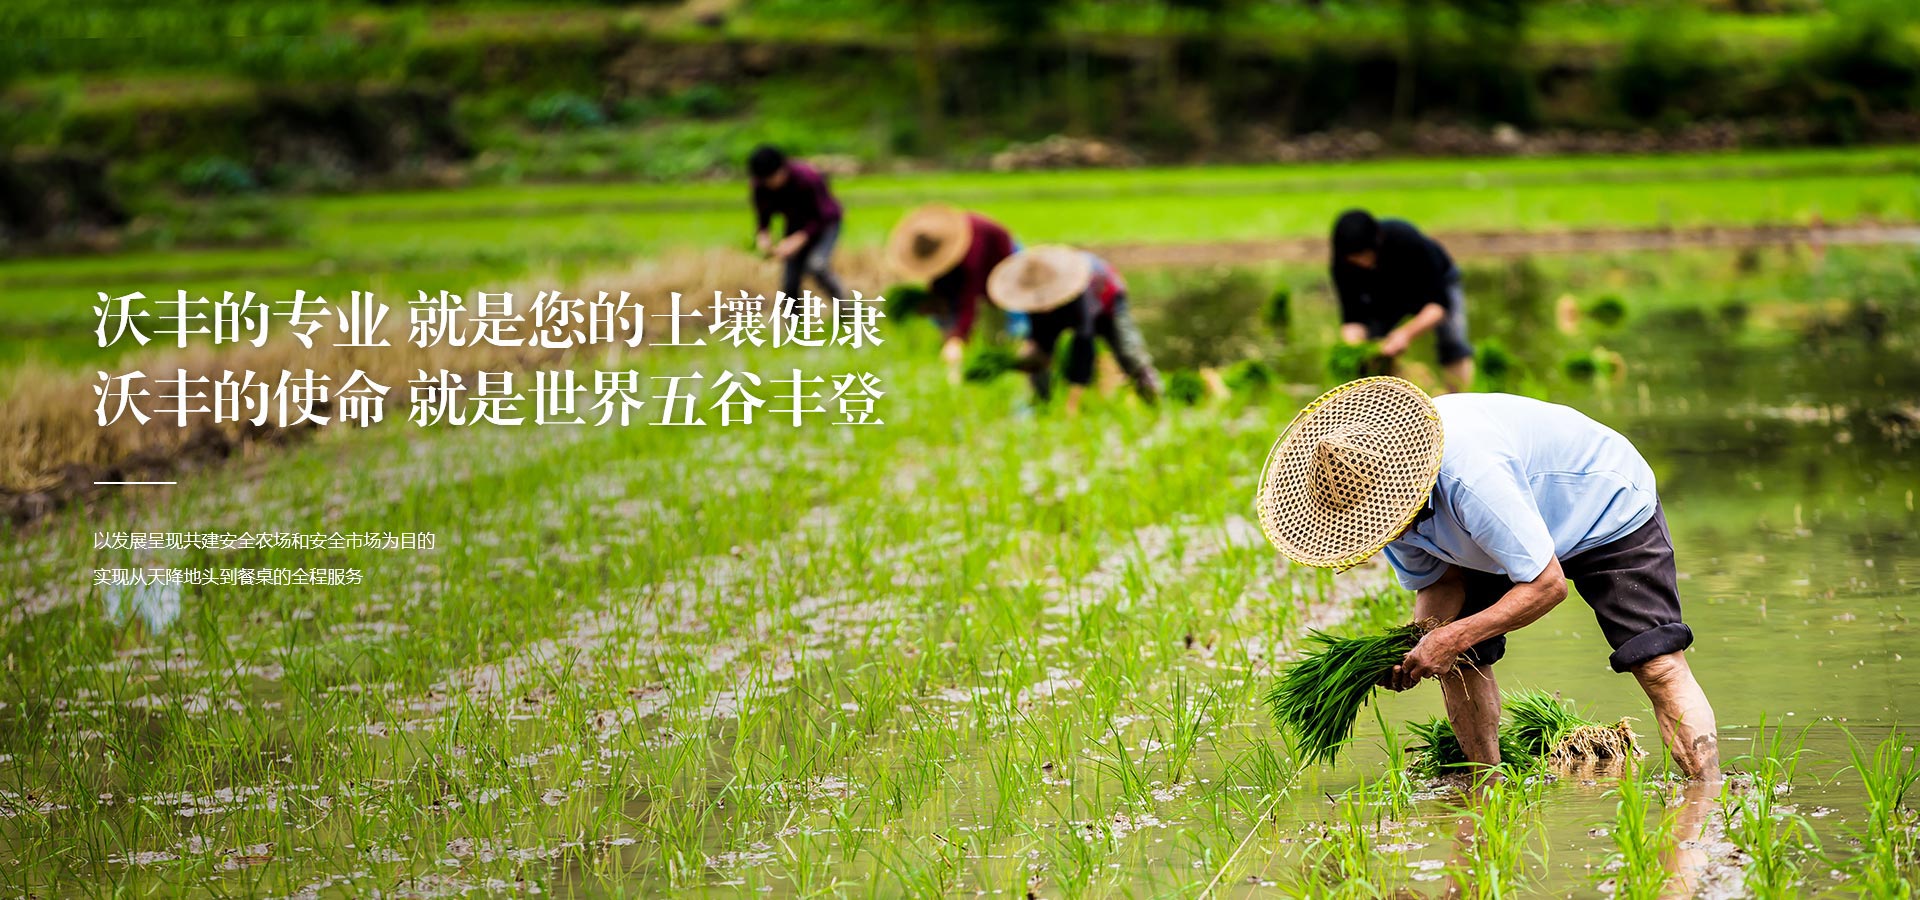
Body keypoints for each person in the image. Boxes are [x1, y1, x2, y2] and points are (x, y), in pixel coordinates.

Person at [1255, 378, 1720, 780]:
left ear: (1407, 480)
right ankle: (1486, 788)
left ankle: (1707, 799)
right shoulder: (1375, 508)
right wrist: (1419, 646)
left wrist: (1454, 636)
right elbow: (1438, 586)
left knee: (1657, 664)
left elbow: (1546, 585)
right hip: (1500, 532)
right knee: (1456, 660)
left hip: (1602, 503)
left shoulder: (1471, 476)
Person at [986, 245, 1162, 414]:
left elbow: (1084, 347)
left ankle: (1155, 401)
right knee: (1038, 357)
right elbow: (1040, 340)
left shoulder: (1079, 293)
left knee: (1128, 353)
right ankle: (1041, 404)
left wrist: (1072, 403)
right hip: (1066, 307)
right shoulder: (1034, 301)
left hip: (1107, 300)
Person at [1330, 209, 1474, 393]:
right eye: (1353, 259)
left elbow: (1438, 305)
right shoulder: (1342, 262)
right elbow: (1352, 316)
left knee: (1453, 343)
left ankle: (1456, 401)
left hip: (1434, 284)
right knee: (1375, 353)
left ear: (1376, 244)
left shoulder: (1406, 240)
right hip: (1385, 291)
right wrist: (1357, 348)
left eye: (1363, 256)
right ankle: (1398, 404)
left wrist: (1405, 334)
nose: (1360, 263)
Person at [886, 204, 1017, 384]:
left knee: (1000, 324)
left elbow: (969, 298)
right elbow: (941, 285)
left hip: (1002, 259)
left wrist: (958, 337)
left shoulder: (972, 255)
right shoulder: (940, 248)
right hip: (969, 267)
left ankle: (1000, 361)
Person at [748, 144, 847, 302]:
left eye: (771, 179)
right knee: (790, 280)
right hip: (796, 224)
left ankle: (846, 307)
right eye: (765, 180)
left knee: (817, 266)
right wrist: (764, 233)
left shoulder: (807, 178)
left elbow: (821, 217)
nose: (769, 184)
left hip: (826, 224)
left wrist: (799, 239)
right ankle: (793, 323)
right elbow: (763, 213)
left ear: (782, 169)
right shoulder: (760, 185)